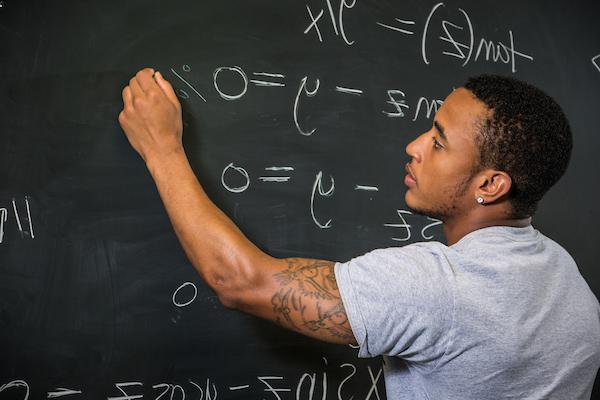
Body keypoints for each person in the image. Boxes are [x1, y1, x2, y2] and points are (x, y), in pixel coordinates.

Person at [118, 69, 600, 399]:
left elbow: (240, 281)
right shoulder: (570, 283)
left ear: (490, 185)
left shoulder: (439, 286)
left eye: (438, 141)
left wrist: (162, 149)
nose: (413, 147)